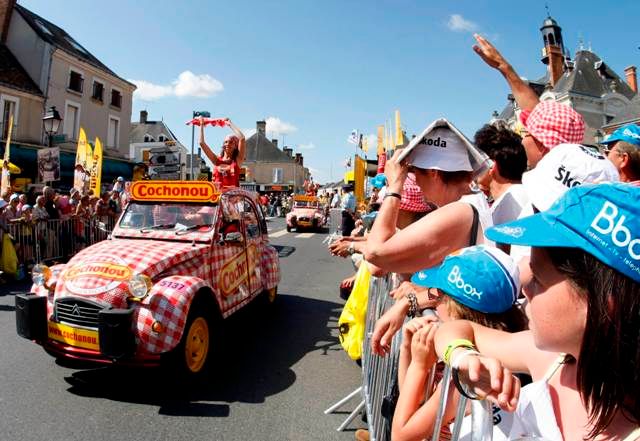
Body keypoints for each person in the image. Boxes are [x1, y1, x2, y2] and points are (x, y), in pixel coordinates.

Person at [432, 184, 640, 440]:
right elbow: (455, 329)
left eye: (538, 279)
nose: (525, 289)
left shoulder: (551, 360)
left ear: (602, 305)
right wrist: (463, 356)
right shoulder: (553, 359)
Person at [363, 121, 495, 355]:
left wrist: (395, 186)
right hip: (461, 337)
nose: (414, 180)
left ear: (433, 173)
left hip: (460, 345)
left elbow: (375, 254)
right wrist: (414, 300)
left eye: (414, 172)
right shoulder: (470, 205)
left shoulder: (460, 211)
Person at [391, 245, 527, 441]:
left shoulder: (470, 374)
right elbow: (417, 399)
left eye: (440, 297)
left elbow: (401, 435)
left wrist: (419, 366)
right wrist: (408, 349)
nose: (433, 303)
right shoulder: (489, 346)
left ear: (455, 309)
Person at [472, 34, 584, 167]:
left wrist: (503, 65)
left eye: (530, 132)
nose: (523, 137)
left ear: (544, 146)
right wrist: (502, 66)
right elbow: (535, 108)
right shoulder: (574, 173)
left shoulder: (541, 183)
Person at [474, 122, 529, 226]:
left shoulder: (508, 205)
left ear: (491, 166)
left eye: (478, 161)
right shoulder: (531, 195)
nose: (474, 167)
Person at [199, 117, 246, 188]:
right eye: (226, 142)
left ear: (235, 146)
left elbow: (242, 138)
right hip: (217, 197)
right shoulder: (216, 160)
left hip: (232, 197)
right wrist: (201, 125)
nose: (227, 144)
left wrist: (230, 124)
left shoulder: (237, 161)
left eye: (231, 142)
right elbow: (202, 143)